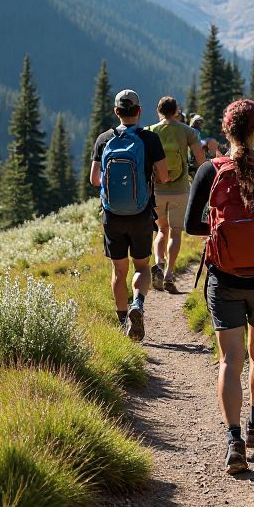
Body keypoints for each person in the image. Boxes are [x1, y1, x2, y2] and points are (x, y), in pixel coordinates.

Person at [185, 99, 254, 475]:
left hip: (224, 278)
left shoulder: (210, 170)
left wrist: (220, 230)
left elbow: (191, 225)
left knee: (229, 360)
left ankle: (234, 442)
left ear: (226, 129)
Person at [90, 89, 169, 341]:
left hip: (112, 215)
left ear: (116, 112)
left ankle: (123, 320)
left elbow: (94, 179)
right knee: (142, 266)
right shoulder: (150, 139)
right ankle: (138, 304)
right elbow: (164, 175)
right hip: (141, 213)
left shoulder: (104, 139)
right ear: (139, 111)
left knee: (118, 270)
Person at [149, 96, 206, 293]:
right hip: (180, 189)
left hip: (157, 189)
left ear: (159, 111)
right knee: (175, 232)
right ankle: (169, 274)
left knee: (161, 230)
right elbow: (200, 158)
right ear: (176, 111)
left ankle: (159, 263)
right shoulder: (187, 131)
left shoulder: (151, 130)